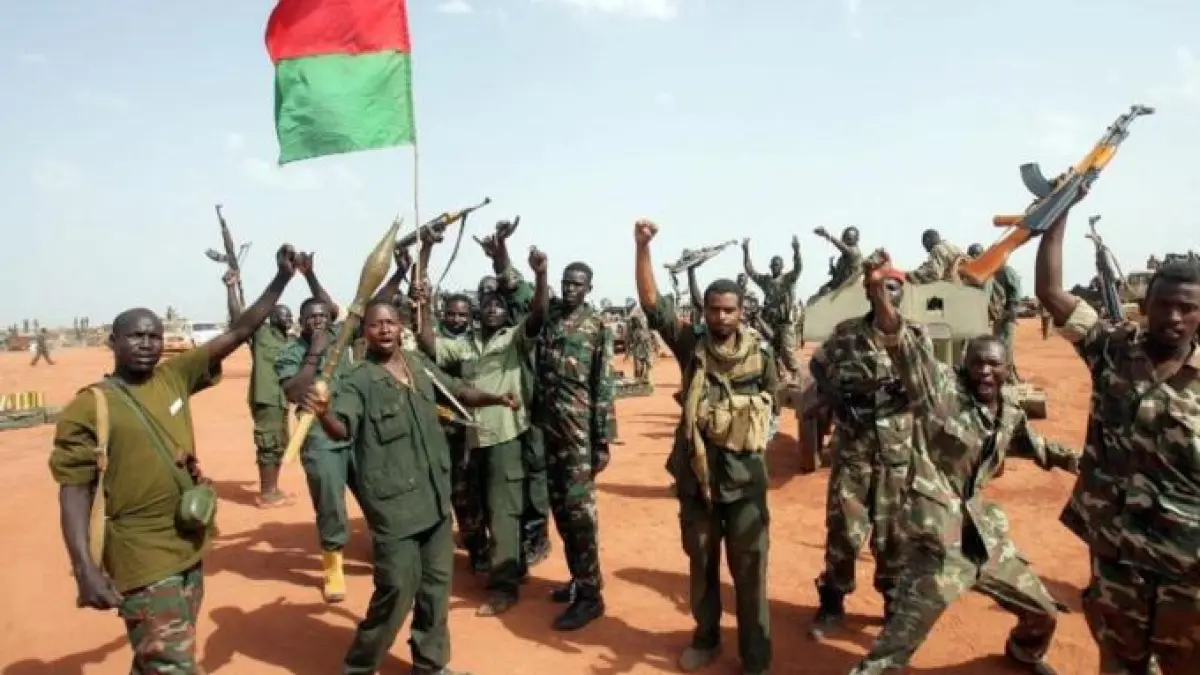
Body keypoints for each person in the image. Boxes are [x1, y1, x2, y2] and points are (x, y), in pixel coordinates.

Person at [49, 243, 301, 672]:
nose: (147, 344)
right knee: (173, 663)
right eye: (136, 336)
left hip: (188, 542)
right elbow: (73, 490)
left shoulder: (174, 376)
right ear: (113, 342)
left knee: (161, 656)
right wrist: (84, 568)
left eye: (154, 336)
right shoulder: (91, 406)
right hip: (141, 554)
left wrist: (281, 278)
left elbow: (240, 331)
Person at [848, 253, 1080, 675]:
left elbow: (1031, 445)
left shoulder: (1008, 410)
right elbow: (901, 342)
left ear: (1007, 368)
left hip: (985, 538)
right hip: (939, 542)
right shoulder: (939, 392)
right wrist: (879, 289)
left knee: (1043, 613)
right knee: (892, 649)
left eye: (994, 364)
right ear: (964, 365)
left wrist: (1074, 459)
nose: (985, 371)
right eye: (977, 363)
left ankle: (1024, 652)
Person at [307, 299, 519, 675]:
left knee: (436, 588)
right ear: (365, 332)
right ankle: (359, 666)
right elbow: (343, 428)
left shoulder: (417, 364)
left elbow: (457, 390)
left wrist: (497, 398)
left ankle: (430, 664)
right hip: (395, 508)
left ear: (401, 326)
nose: (385, 329)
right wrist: (324, 415)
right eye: (376, 324)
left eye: (390, 322)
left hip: (435, 500)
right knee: (396, 590)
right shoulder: (359, 380)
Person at [1035, 211, 1200, 674]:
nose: (1173, 317)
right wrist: (1057, 213)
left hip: (1187, 568)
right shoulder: (1113, 349)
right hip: (1116, 554)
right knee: (1118, 661)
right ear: (1144, 306)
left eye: (1187, 307)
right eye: (1163, 305)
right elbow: (1050, 292)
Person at [635, 219, 777, 675]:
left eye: (729, 310)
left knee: (750, 570)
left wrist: (739, 426)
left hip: (745, 480)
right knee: (701, 563)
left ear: (741, 312)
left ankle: (755, 656)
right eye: (714, 310)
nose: (721, 318)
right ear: (704, 311)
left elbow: (772, 409)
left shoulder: (761, 357)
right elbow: (652, 305)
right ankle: (706, 638)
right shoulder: (690, 346)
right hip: (698, 478)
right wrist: (642, 248)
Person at [414, 245, 550, 616]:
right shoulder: (465, 344)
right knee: (485, 508)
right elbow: (428, 343)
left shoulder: (515, 338)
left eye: (498, 305)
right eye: (486, 305)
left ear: (507, 313)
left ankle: (504, 588)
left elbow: (539, 313)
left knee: (503, 511)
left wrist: (540, 275)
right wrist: (422, 303)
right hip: (473, 437)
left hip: (505, 436)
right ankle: (510, 567)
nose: (492, 309)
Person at [805, 249, 918, 637]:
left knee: (894, 535)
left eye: (893, 288)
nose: (886, 294)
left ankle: (894, 604)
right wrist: (836, 395)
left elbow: (927, 385)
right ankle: (832, 602)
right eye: (880, 288)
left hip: (897, 455)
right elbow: (818, 364)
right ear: (868, 293)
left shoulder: (915, 336)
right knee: (843, 531)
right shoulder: (847, 333)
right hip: (853, 451)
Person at [276, 252, 359, 603]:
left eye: (323, 316)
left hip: (355, 428)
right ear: (301, 323)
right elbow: (294, 391)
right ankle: (332, 562)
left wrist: (311, 276)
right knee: (330, 502)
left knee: (379, 491)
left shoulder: (341, 335)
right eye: (311, 318)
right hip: (319, 437)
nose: (319, 321)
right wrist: (314, 352)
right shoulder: (290, 351)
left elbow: (334, 307)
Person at [224, 269, 294, 506]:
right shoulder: (261, 335)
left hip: (282, 399)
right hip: (266, 398)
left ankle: (273, 489)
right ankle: (267, 494)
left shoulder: (290, 342)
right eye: (283, 315)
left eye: (290, 315)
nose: (288, 319)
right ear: (272, 318)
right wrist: (231, 288)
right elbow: (239, 319)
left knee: (280, 444)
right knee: (268, 444)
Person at [741, 236, 802, 379]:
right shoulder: (766, 281)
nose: (775, 267)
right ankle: (778, 375)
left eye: (777, 265)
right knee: (768, 348)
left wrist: (796, 251)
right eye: (773, 265)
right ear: (770, 266)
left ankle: (796, 374)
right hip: (769, 321)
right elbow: (750, 271)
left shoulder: (788, 279)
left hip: (785, 321)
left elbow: (798, 268)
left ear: (781, 267)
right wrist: (746, 251)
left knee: (787, 350)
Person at [968, 242, 1022, 380]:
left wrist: (1010, 312)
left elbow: (1015, 294)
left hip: (1006, 316)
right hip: (997, 316)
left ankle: (1009, 377)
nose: (974, 258)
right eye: (972, 255)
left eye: (976, 255)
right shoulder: (988, 272)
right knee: (998, 346)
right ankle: (1009, 375)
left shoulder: (1005, 271)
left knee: (1006, 346)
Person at [813, 225, 863, 297]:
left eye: (849, 239)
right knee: (821, 291)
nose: (845, 241)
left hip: (847, 287)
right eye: (844, 239)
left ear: (856, 240)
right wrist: (832, 267)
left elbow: (845, 249)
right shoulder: (842, 258)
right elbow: (837, 274)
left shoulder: (855, 252)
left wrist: (827, 235)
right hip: (837, 285)